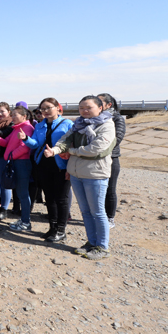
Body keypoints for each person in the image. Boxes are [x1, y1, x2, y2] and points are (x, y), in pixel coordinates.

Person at [45, 95, 115, 260]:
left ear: (100, 108)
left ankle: (102, 247)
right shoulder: (78, 124)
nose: (84, 111)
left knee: (98, 212)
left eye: (89, 107)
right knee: (85, 211)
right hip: (77, 174)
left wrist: (71, 151)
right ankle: (92, 242)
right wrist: (54, 151)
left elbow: (96, 149)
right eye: (81, 108)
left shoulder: (106, 125)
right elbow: (65, 140)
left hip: (95, 174)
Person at [23, 97, 73, 242]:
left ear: (57, 108)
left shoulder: (68, 124)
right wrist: (25, 138)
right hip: (44, 164)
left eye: (48, 107)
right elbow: (36, 144)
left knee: (61, 199)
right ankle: (52, 227)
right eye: (42, 109)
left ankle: (61, 230)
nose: (45, 111)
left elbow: (72, 146)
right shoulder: (40, 125)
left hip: (61, 165)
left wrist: (70, 167)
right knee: (49, 198)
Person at [0, 106, 35, 230]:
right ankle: (24, 220)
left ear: (24, 116)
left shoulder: (27, 128)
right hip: (14, 162)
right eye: (12, 115)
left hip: (21, 163)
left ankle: (26, 222)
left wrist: (9, 156)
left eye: (15, 115)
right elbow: (6, 142)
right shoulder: (16, 128)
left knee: (23, 193)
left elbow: (24, 147)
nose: (12, 117)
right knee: (20, 192)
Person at [97, 93, 125, 229]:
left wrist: (99, 149)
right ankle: (99, 215)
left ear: (109, 105)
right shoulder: (94, 118)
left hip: (111, 158)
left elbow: (117, 138)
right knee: (98, 189)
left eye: (99, 102)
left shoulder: (117, 118)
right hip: (95, 159)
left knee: (110, 189)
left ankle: (110, 218)